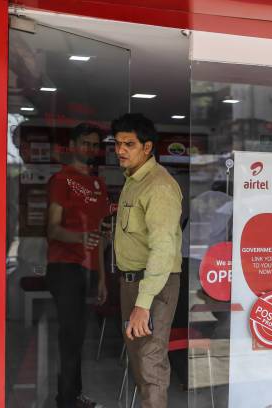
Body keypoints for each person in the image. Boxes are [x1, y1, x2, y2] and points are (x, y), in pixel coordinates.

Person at [112, 113, 182, 408]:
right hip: (132, 282)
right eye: (117, 144)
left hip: (153, 285)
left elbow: (163, 250)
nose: (120, 150)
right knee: (139, 361)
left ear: (148, 147)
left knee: (150, 362)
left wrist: (143, 304)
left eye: (129, 144)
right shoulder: (133, 180)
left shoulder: (159, 186)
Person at [45, 123, 110, 408]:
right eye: (85, 143)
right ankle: (66, 401)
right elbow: (53, 229)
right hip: (65, 267)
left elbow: (101, 236)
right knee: (70, 336)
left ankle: (73, 396)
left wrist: (102, 280)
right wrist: (81, 237)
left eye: (95, 145)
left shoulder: (100, 184)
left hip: (89, 270)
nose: (90, 149)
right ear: (73, 145)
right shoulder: (62, 179)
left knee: (79, 336)